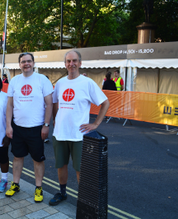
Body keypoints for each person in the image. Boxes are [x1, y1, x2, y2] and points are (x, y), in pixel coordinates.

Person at [49, 50, 110, 206]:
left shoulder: (87, 83)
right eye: (68, 61)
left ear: (80, 63)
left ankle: (85, 200)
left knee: (80, 169)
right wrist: (55, 119)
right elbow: (55, 102)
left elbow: (105, 103)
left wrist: (95, 124)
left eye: (74, 61)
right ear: (65, 64)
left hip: (79, 135)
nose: (71, 64)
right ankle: (62, 193)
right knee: (61, 166)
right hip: (60, 133)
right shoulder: (61, 83)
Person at [5, 52, 53, 202]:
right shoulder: (14, 81)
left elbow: (49, 104)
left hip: (36, 128)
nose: (26, 64)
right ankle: (16, 184)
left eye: (28, 61)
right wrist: (8, 125)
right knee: (17, 157)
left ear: (33, 63)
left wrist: (46, 125)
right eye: (23, 62)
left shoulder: (42, 80)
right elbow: (10, 105)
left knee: (37, 159)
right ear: (19, 64)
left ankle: (38, 188)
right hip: (18, 127)